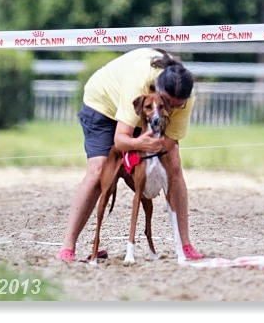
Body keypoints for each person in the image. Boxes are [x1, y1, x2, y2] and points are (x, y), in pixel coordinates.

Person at [55, 47, 204, 261]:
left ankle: (185, 244)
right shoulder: (140, 81)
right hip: (102, 104)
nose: (171, 110)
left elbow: (169, 143)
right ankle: (67, 245)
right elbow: (121, 139)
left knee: (174, 163)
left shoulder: (184, 98)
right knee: (99, 170)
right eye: (168, 104)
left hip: (144, 110)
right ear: (157, 89)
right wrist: (138, 144)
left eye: (175, 106)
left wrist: (148, 155)